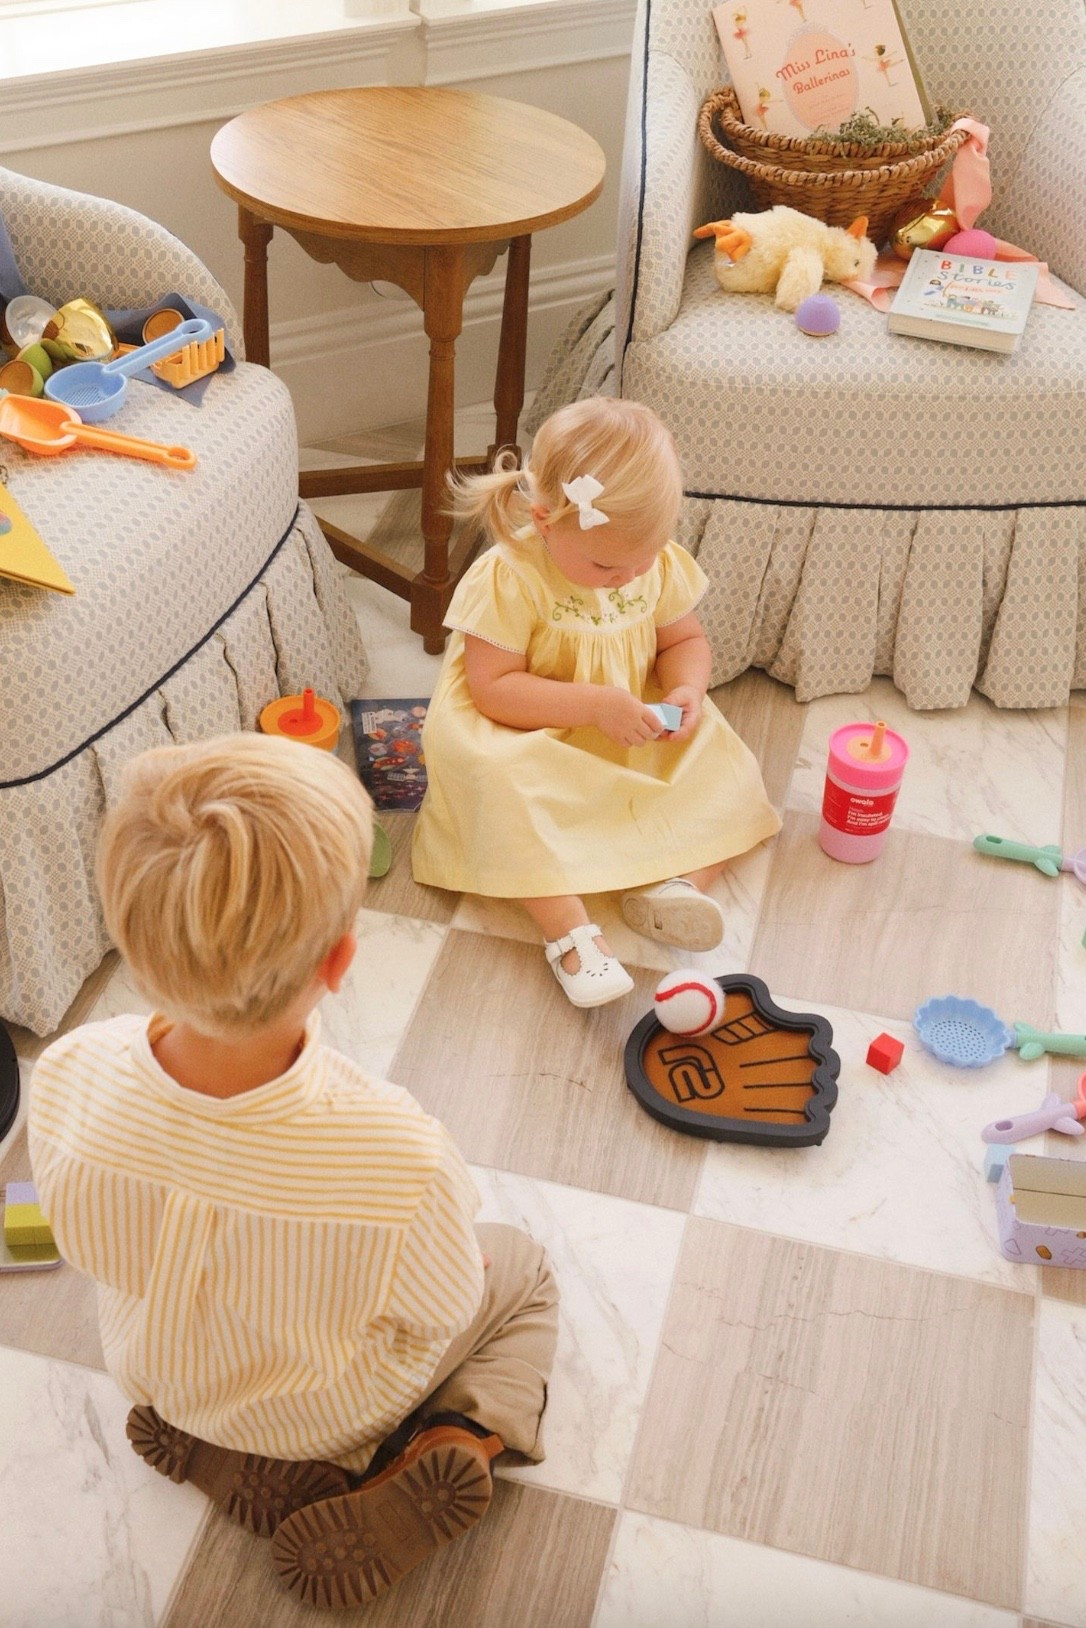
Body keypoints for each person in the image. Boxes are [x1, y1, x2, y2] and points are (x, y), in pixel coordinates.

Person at [28, 734, 558, 1611]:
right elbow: (442, 1309)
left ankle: (226, 1447)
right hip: (330, 1412)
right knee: (523, 1266)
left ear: (127, 933)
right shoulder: (398, 1154)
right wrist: (461, 1261)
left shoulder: (69, 1073)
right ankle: (456, 1439)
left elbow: (87, 1237)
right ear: (339, 963)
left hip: (159, 1371)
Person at [411, 397, 781, 1008]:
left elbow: (683, 639)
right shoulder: (510, 575)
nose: (630, 577)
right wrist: (591, 706)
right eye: (609, 564)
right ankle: (571, 932)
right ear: (546, 520)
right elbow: (493, 689)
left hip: (626, 715)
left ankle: (676, 887)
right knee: (496, 779)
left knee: (724, 764)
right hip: (524, 722)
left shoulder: (647, 563)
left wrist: (687, 689)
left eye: (645, 559)